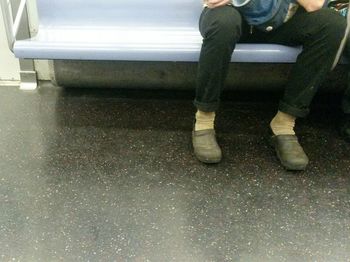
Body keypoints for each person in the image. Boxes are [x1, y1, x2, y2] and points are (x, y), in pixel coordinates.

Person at [192, 0, 350, 170]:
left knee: (332, 24)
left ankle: (284, 124)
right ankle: (204, 120)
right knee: (223, 23)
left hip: (281, 21)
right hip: (230, 16)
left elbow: (314, 4)